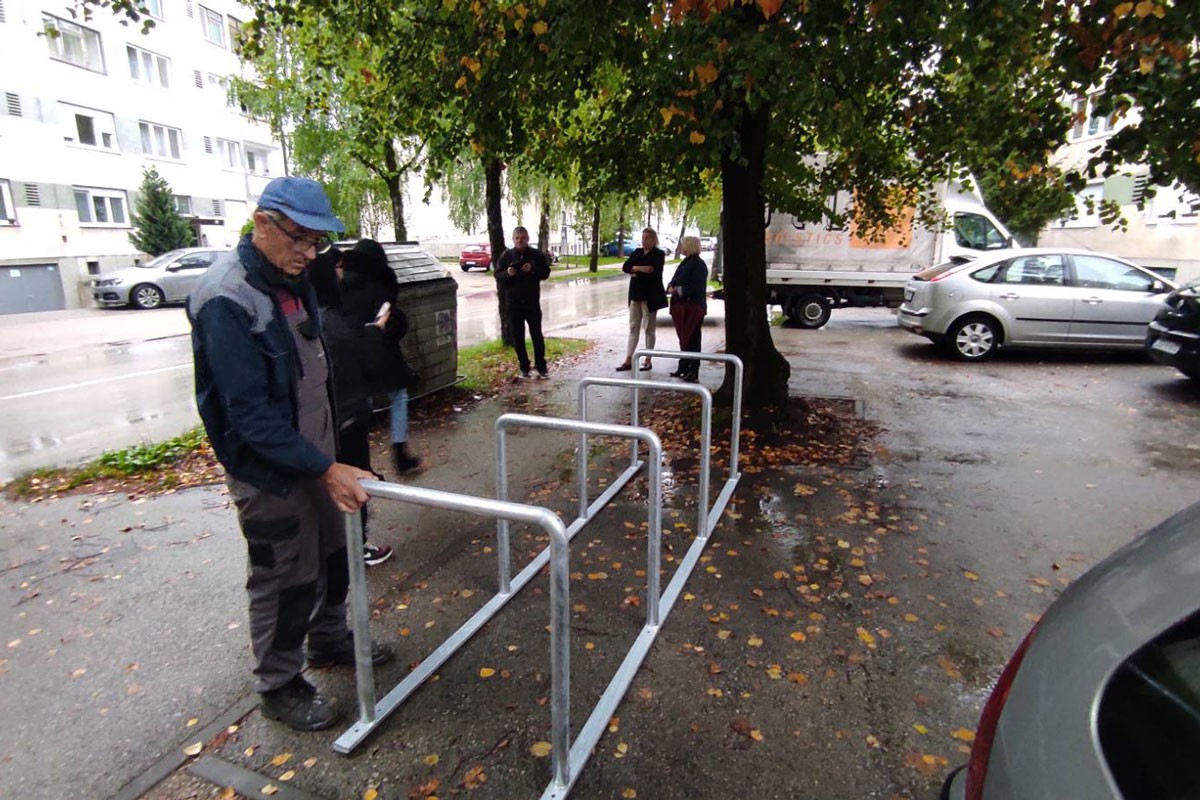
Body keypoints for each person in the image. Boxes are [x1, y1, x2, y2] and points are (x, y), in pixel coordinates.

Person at [188, 176, 393, 733]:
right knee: (285, 577)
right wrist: (323, 467)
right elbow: (248, 416)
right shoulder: (225, 298)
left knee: (334, 556)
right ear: (262, 222)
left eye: (318, 242)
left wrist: (338, 448)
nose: (309, 253)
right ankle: (278, 684)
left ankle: (328, 641)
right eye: (300, 238)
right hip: (271, 474)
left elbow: (312, 372)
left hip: (319, 455)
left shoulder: (293, 278)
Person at [307, 249, 394, 568]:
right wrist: (376, 332)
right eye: (337, 267)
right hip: (347, 415)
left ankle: (338, 547)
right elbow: (365, 362)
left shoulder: (309, 314)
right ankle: (357, 548)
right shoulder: (330, 321)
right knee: (354, 479)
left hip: (329, 418)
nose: (342, 272)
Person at [338, 239, 422, 479]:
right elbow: (388, 317)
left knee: (361, 405)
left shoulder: (341, 283)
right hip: (379, 351)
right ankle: (399, 451)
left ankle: (363, 466)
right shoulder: (380, 283)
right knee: (398, 395)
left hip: (350, 355)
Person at [495, 225, 551, 379]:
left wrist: (532, 269)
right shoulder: (506, 256)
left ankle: (541, 366)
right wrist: (507, 273)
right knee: (518, 337)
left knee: (537, 335)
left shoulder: (536, 255)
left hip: (532, 302)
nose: (520, 241)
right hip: (513, 304)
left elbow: (545, 273)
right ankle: (524, 367)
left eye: (523, 238)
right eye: (517, 238)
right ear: (513, 239)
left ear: (528, 239)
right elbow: (498, 275)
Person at [617, 227, 667, 372]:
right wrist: (639, 269)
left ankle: (648, 359)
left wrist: (636, 269)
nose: (644, 240)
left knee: (649, 328)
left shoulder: (658, 254)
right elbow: (626, 267)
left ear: (653, 239)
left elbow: (652, 270)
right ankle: (628, 359)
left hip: (650, 296)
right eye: (643, 237)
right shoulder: (637, 252)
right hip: (636, 294)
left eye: (647, 238)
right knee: (633, 327)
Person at [667, 235, 708, 383]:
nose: (681, 248)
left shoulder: (698, 265)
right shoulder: (685, 262)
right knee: (684, 337)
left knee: (693, 338)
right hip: (682, 306)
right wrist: (671, 286)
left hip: (693, 307)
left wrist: (677, 290)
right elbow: (675, 279)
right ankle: (683, 366)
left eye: (683, 245)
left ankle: (693, 369)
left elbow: (695, 288)